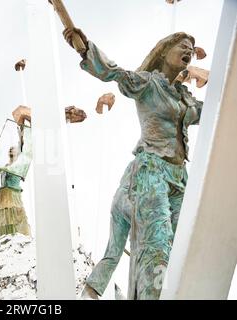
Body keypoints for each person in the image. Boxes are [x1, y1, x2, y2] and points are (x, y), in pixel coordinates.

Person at [63, 28, 202, 300]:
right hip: (151, 173)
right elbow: (113, 72)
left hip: (180, 178)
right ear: (163, 51)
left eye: (192, 49)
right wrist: (84, 49)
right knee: (156, 249)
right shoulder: (148, 84)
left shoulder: (184, 97)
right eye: (183, 46)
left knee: (183, 251)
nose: (189, 51)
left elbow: (213, 111)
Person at [0, 146, 31, 237]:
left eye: (13, 148)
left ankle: (18, 238)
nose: (10, 149)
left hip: (13, 194)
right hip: (3, 195)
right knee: (4, 219)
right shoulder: (5, 166)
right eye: (10, 148)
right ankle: (7, 240)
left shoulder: (20, 165)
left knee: (15, 216)